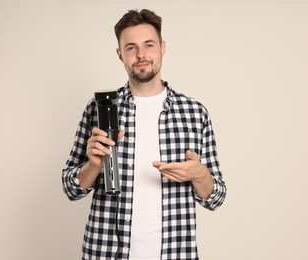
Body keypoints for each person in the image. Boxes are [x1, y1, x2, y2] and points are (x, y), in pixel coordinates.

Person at [62, 9, 227, 260]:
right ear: (120, 55)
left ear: (162, 48)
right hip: (107, 252)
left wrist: (200, 175)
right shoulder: (99, 111)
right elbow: (71, 188)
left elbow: (215, 198)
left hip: (175, 252)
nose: (141, 55)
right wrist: (93, 166)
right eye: (131, 48)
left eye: (148, 45)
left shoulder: (195, 113)